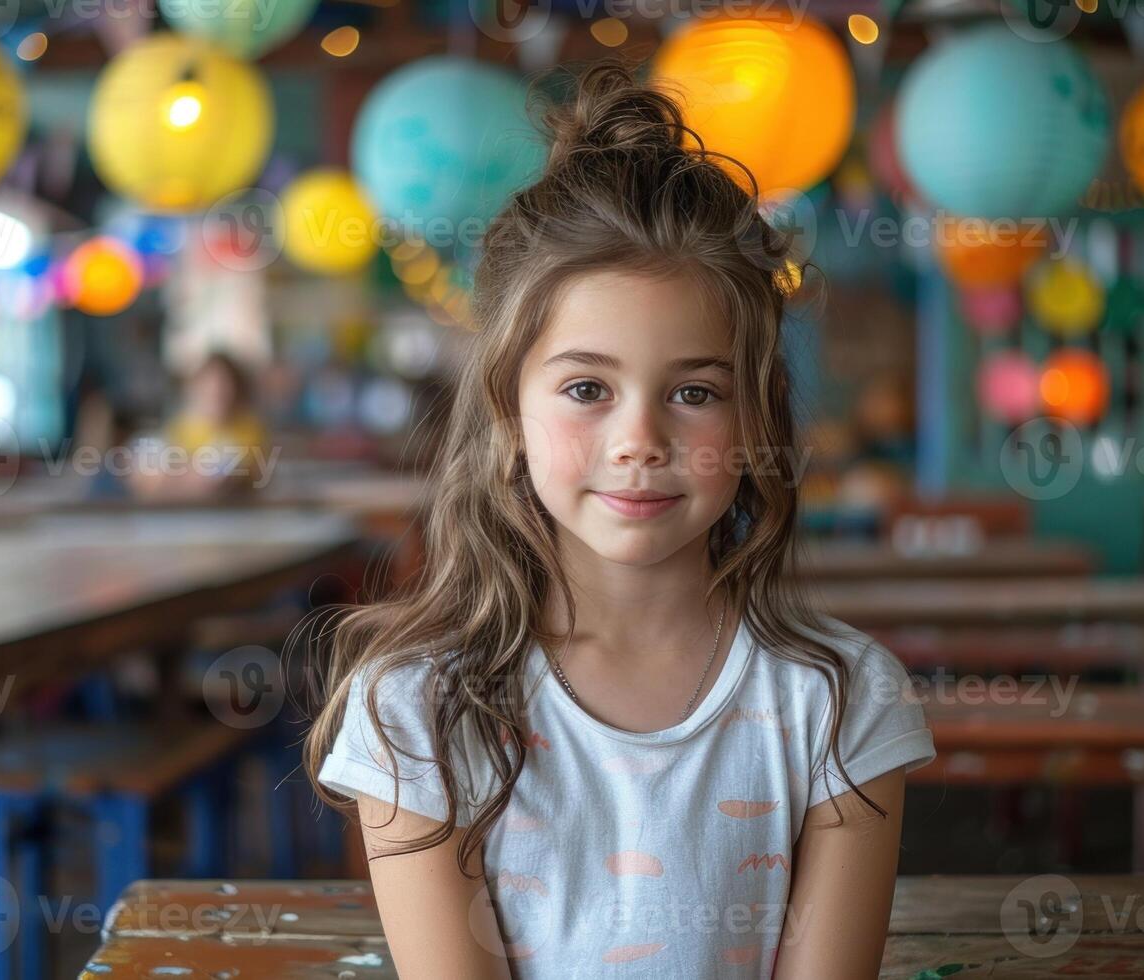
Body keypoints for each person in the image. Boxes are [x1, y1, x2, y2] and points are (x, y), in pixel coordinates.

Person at [304, 63, 933, 978]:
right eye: (587, 388)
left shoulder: (840, 704)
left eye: (692, 391)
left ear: (755, 417)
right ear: (507, 413)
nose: (639, 439)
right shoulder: (415, 712)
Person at [124, 350, 269, 501]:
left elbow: (215, 484)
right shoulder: (182, 425)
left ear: (236, 390)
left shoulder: (248, 430)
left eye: (223, 386)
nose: (215, 392)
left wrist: (176, 474)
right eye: (208, 385)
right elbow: (145, 479)